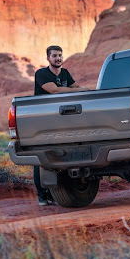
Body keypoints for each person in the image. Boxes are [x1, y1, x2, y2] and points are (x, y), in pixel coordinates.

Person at [33, 45, 87, 206]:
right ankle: (42, 195)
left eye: (60, 56)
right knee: (42, 158)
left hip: (60, 120)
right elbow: (54, 91)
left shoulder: (65, 73)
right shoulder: (41, 74)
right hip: (42, 120)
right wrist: (77, 91)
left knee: (60, 155)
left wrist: (83, 90)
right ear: (48, 58)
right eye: (54, 56)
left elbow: (75, 87)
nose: (58, 58)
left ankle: (56, 194)